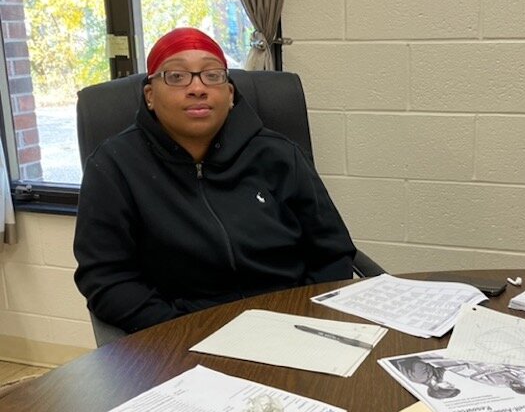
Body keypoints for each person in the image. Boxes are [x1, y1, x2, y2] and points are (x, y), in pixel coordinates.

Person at [74, 28, 356, 333]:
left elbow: (332, 252)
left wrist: (302, 317)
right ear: (150, 95)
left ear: (231, 94)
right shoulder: (114, 166)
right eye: (177, 76)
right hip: (184, 334)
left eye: (212, 75)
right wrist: (184, 331)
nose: (197, 88)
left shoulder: (279, 155)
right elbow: (106, 279)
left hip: (293, 322)